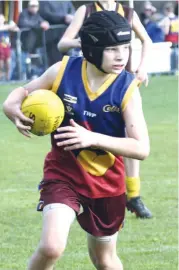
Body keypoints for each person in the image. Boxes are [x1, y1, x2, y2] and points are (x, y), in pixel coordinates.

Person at [3, 11, 150, 270]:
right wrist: (10, 104)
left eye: (126, 48)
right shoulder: (62, 71)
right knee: (51, 247)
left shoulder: (127, 88)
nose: (121, 56)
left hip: (106, 184)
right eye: (112, 49)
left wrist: (90, 137)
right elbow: (25, 90)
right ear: (92, 48)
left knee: (105, 260)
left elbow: (141, 148)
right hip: (64, 175)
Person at [58, 0, 152, 218]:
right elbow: (63, 44)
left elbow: (146, 40)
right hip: (92, 81)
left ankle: (134, 196)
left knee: (131, 138)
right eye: (112, 47)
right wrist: (88, 43)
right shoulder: (87, 10)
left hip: (121, 87)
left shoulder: (128, 12)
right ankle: (79, 190)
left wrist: (143, 67)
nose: (120, 51)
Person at [39, 0, 75, 66]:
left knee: (69, 61)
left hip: (66, 35)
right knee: (55, 63)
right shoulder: (44, 1)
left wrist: (71, 16)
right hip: (52, 37)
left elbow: (72, 10)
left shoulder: (66, 1)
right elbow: (45, 13)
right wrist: (63, 18)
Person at [0, 14, 18, 80]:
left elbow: (17, 29)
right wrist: (9, 26)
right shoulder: (6, 27)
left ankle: (8, 79)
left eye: (2, 19)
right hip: (0, 48)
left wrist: (13, 25)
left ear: (4, 19)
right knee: (1, 65)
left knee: (8, 64)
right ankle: (1, 79)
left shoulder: (7, 26)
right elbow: (2, 28)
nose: (0, 20)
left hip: (7, 47)